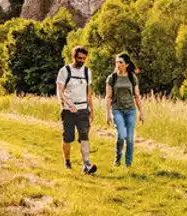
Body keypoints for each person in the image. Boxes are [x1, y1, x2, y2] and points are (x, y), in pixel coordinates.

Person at [56, 46, 97, 174]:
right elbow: (59, 91)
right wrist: (68, 103)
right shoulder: (65, 71)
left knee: (84, 137)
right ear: (74, 57)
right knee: (68, 138)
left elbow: (88, 93)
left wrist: (91, 109)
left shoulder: (86, 72)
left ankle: (86, 165)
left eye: (84, 59)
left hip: (83, 109)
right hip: (68, 110)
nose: (82, 61)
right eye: (80, 58)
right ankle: (67, 161)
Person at [105, 53, 143, 167]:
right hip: (117, 110)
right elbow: (108, 97)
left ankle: (128, 165)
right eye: (116, 62)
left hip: (131, 111)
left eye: (120, 62)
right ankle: (118, 157)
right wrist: (107, 114)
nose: (118, 64)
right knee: (121, 135)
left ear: (126, 64)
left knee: (130, 139)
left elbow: (137, 96)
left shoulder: (132, 77)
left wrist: (141, 112)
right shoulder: (112, 78)